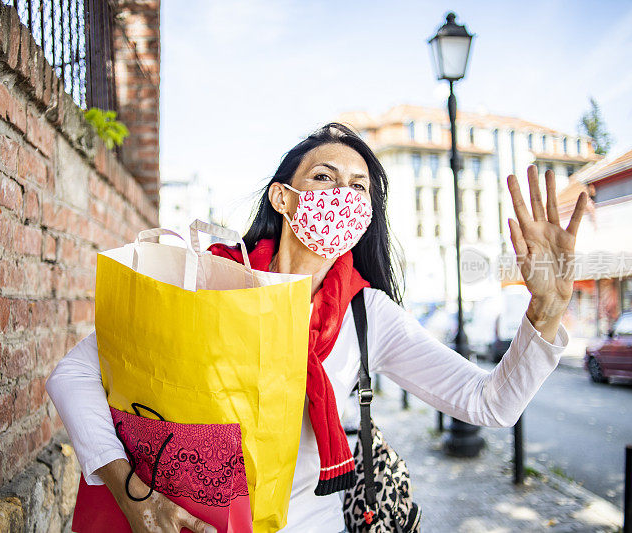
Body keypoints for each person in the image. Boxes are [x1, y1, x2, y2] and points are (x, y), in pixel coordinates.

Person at [46, 123, 585, 533]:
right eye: (324, 178)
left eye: (359, 189)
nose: (342, 197)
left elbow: (489, 403)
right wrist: (133, 494)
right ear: (283, 198)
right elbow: (74, 374)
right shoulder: (208, 280)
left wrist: (548, 309)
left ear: (368, 214)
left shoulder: (369, 314)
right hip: (180, 519)